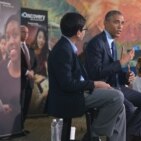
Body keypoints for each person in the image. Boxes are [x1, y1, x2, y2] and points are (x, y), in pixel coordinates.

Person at [46, 12, 126, 141]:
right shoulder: (63, 50)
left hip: (79, 92)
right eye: (84, 29)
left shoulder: (67, 47)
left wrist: (95, 85)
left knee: (119, 104)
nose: (84, 32)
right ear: (78, 32)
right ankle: (93, 134)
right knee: (117, 96)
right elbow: (67, 84)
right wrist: (94, 84)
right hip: (70, 98)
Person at [84, 10, 141, 141]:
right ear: (105, 23)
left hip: (117, 86)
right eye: (116, 22)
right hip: (103, 88)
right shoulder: (96, 43)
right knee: (129, 109)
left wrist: (126, 76)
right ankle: (95, 136)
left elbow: (113, 72)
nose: (120, 26)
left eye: (122, 23)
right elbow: (95, 73)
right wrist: (121, 62)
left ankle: (128, 136)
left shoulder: (113, 43)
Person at [0, 14, 22, 136]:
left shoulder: (28, 72)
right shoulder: (1, 68)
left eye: (15, 35)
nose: (10, 42)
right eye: (7, 37)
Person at [20, 25, 37, 131]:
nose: (26, 34)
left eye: (27, 32)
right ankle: (16, 128)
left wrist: (32, 71)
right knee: (19, 106)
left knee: (26, 106)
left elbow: (35, 63)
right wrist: (26, 72)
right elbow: (13, 64)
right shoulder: (13, 47)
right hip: (19, 82)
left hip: (29, 83)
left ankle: (21, 127)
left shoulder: (30, 48)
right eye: (23, 32)